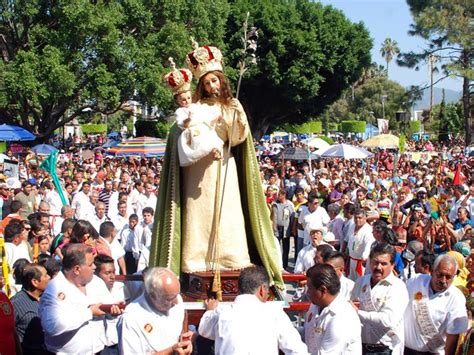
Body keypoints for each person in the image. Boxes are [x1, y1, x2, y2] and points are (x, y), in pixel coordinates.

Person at [151, 41, 282, 288]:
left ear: (222, 80)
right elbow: (179, 133)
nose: (212, 86)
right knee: (199, 216)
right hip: (197, 170)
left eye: (215, 80)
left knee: (228, 214)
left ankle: (232, 257)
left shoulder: (231, 105)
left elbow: (237, 139)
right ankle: (196, 260)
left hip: (224, 166)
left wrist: (234, 117)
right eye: (207, 82)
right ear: (201, 85)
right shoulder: (195, 107)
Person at [198, 266, 308, 354]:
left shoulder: (221, 313)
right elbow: (297, 351)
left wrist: (210, 311)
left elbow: (203, 329)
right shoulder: (275, 314)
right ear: (262, 290)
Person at [39, 243, 106, 354]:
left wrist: (112, 309)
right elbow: (52, 326)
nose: (94, 267)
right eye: (90, 264)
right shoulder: (54, 290)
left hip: (98, 350)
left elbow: (105, 303)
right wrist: (89, 312)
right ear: (76, 269)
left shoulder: (95, 282)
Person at [164, 57, 224, 167]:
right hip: (193, 132)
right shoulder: (180, 111)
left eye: (188, 98)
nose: (186, 101)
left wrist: (215, 119)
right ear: (177, 101)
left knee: (213, 137)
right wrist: (189, 119)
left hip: (204, 128)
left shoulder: (197, 105)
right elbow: (183, 124)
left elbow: (205, 117)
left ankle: (216, 151)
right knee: (200, 140)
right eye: (183, 99)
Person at [404, 254, 469, 354]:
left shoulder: (456, 297)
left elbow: (453, 335)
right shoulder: (416, 281)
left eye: (448, 277)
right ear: (432, 271)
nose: (443, 280)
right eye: (440, 275)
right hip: (404, 349)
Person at [350, 243, 409, 355]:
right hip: (360, 346)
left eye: (384, 264)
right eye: (375, 262)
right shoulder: (361, 282)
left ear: (392, 265)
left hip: (384, 349)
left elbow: (388, 320)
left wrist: (358, 313)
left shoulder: (397, 287)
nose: (378, 267)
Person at [118, 267, 192, 354]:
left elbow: (179, 334)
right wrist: (170, 350)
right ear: (152, 295)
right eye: (169, 299)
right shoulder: (131, 318)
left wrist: (186, 342)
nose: (176, 302)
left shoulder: (177, 300)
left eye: (177, 295)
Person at [305, 264, 362, 354]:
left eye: (309, 288)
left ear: (323, 290)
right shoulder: (316, 305)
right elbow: (308, 331)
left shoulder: (342, 318)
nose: (307, 292)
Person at [11, 263, 50, 354]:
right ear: (35, 282)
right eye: (45, 275)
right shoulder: (16, 304)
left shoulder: (49, 298)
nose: (49, 277)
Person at [346, 208, 375, 281]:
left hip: (361, 262)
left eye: (360, 218)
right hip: (351, 259)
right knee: (350, 281)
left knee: (360, 282)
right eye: (356, 218)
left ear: (365, 218)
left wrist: (364, 257)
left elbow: (369, 245)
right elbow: (347, 239)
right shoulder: (352, 226)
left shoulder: (368, 230)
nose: (357, 220)